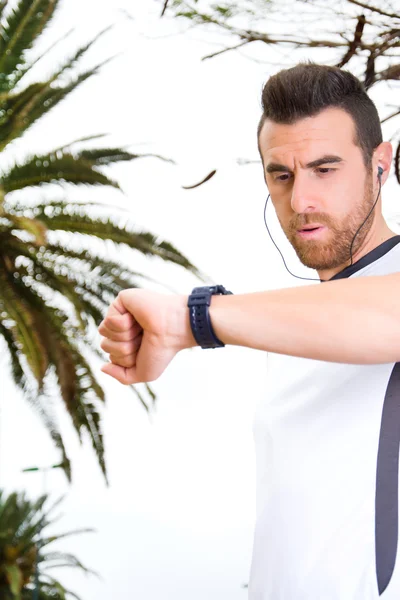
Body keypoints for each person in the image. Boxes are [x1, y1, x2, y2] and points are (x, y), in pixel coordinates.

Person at [98, 63, 400, 599]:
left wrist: (192, 319)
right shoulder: (292, 327)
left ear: (381, 164)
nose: (301, 201)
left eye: (325, 169)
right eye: (281, 175)